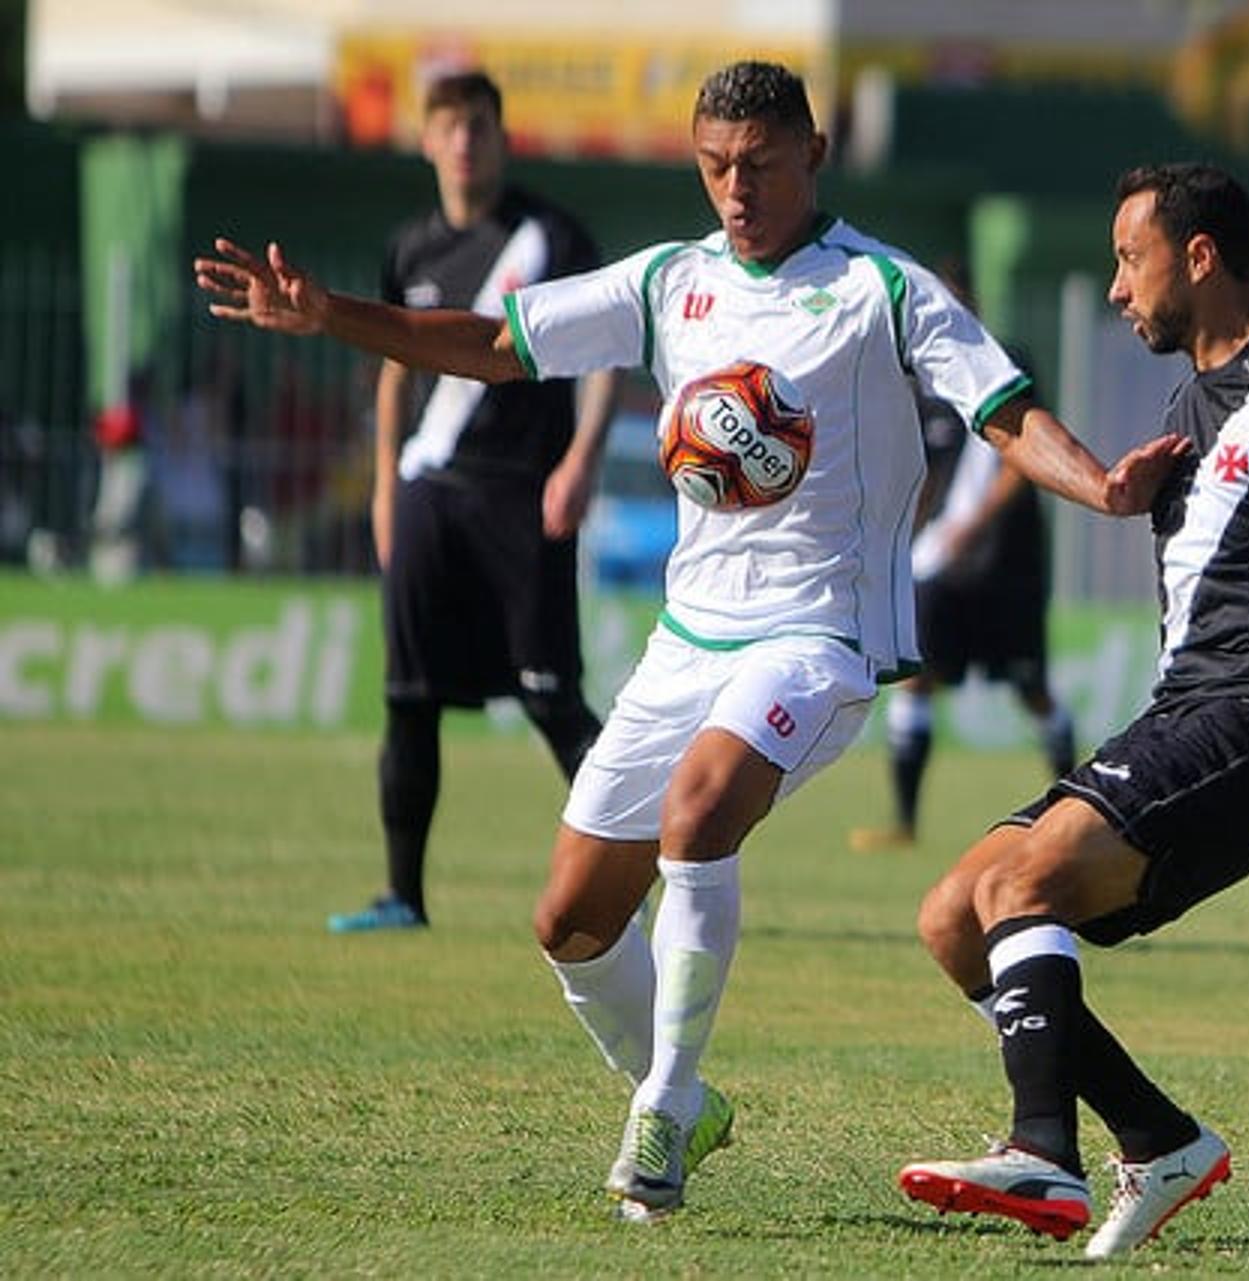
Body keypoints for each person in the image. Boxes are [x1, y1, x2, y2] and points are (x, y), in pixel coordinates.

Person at [196, 60, 1184, 1222]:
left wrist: (1105, 490)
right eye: (715, 167)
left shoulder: (883, 288)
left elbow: (1003, 410)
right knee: (569, 920)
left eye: (759, 166)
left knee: (700, 810)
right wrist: (332, 319)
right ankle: (688, 1096)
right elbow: (495, 341)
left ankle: (662, 1111)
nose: (735, 189)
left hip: (821, 635)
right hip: (686, 641)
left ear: (812, 155)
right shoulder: (671, 281)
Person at [896, 163, 1249, 1259]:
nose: (1116, 288)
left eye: (1128, 258)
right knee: (953, 918)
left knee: (1020, 883)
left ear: (1198, 258)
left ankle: (1043, 1153)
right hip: (1183, 717)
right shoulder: (1192, 404)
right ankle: (1158, 1140)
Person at [321, 72, 618, 934]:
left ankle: (658, 868)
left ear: (501, 134)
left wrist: (582, 456)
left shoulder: (552, 236)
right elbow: (393, 364)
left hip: (525, 496)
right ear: (426, 139)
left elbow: (603, 351)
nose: (464, 142)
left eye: (478, 126)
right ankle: (402, 895)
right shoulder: (410, 248)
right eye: (448, 126)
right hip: (428, 494)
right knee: (408, 696)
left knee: (553, 697)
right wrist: (386, 482)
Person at [849, 274, 1076, 852]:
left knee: (1032, 689)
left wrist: (974, 526)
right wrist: (901, 539)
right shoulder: (922, 385)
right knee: (917, 679)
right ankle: (904, 821)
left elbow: (1025, 459)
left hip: (1007, 561)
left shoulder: (1009, 364)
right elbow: (925, 473)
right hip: (941, 564)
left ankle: (1074, 817)